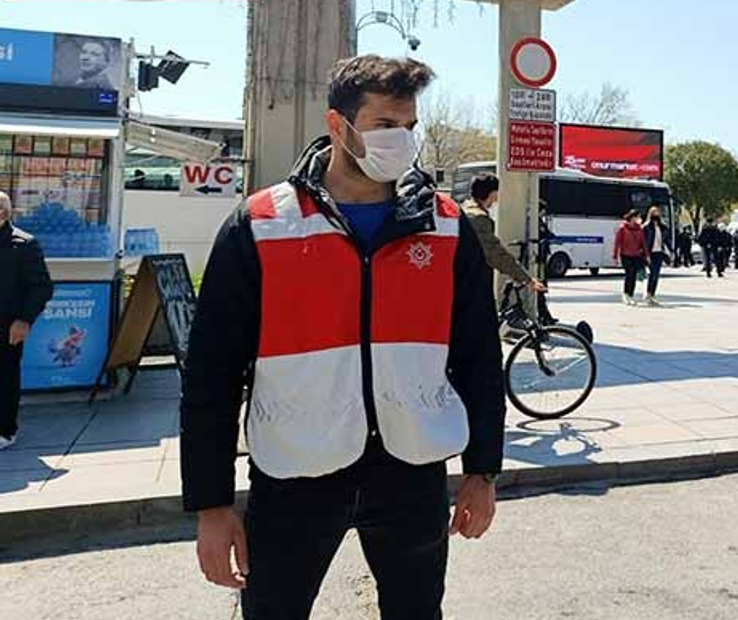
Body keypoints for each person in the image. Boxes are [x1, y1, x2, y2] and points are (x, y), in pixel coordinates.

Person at [181, 55, 506, 619]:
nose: (402, 141)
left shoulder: (446, 224)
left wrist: (483, 470)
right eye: (385, 126)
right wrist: (211, 504)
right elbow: (211, 372)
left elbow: (478, 353)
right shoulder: (261, 223)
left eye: (409, 127)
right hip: (295, 473)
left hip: (412, 469)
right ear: (338, 125)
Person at [0, 189, 53, 454]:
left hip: (4, 325)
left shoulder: (23, 244)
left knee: (4, 379)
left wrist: (24, 320)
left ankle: (2, 431)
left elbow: (41, 287)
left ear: (3, 214)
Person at [461, 173, 549, 311]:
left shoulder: (465, 209)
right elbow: (496, 254)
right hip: (471, 283)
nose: (496, 200)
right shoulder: (478, 218)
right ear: (491, 193)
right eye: (496, 195)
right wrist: (526, 279)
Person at [613, 209, 648, 305]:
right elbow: (617, 243)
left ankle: (631, 295)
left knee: (633, 276)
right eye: (637, 217)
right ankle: (625, 294)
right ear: (632, 217)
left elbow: (643, 243)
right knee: (629, 274)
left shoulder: (639, 229)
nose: (639, 219)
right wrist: (615, 256)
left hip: (636, 255)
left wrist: (646, 254)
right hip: (625, 255)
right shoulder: (622, 228)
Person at [642, 206, 672, 307]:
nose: (656, 214)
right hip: (650, 253)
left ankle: (652, 294)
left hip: (659, 253)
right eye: (654, 212)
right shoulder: (646, 227)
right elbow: (644, 242)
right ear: (650, 214)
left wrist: (671, 250)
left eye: (657, 212)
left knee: (656, 275)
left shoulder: (663, 227)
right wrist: (645, 254)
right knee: (653, 273)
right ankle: (648, 293)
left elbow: (667, 240)